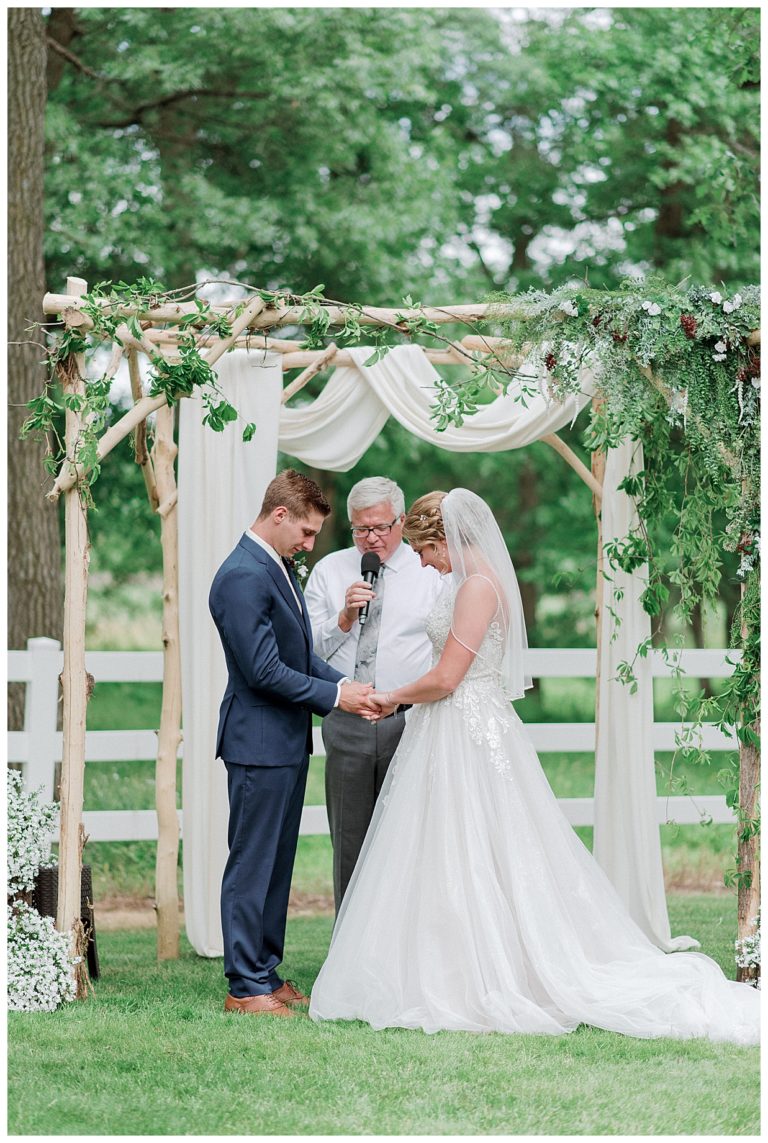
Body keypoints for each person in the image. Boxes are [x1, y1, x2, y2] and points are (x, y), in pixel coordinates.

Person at [309, 488, 760, 1044]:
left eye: (426, 551)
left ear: (441, 538)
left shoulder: (476, 587)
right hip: (446, 728)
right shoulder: (462, 581)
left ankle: (492, 970)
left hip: (467, 729)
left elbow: (449, 677)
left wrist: (390, 697)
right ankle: (441, 964)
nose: (424, 562)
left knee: (481, 847)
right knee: (439, 848)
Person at [209, 469, 376, 1018]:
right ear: (278, 514)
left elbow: (299, 656)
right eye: (305, 533)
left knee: (277, 865)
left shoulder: (275, 566)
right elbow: (262, 670)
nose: (309, 545)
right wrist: (334, 698)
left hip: (285, 742)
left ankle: (267, 971)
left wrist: (345, 685)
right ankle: (243, 985)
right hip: (256, 740)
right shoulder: (241, 574)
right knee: (252, 864)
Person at [304, 476, 443, 910]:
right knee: (350, 840)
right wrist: (344, 617)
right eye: (361, 529)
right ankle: (348, 942)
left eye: (381, 527)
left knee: (410, 838)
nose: (372, 538)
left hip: (410, 721)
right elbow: (304, 648)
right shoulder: (330, 571)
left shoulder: (429, 572)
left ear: (401, 522)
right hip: (346, 721)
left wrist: (407, 699)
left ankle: (403, 942)